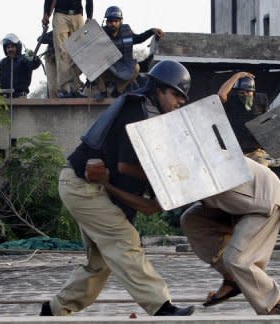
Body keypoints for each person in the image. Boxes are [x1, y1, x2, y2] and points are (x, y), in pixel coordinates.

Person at [39, 60, 194, 317]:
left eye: (183, 98)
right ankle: (161, 307)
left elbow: (150, 208)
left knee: (99, 264)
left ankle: (55, 310)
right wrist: (167, 176)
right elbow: (125, 165)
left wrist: (172, 182)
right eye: (176, 94)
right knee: (125, 240)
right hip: (81, 185)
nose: (181, 102)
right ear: (158, 89)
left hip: (91, 189)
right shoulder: (137, 108)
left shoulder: (157, 126)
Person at [180, 157, 280, 315]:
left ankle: (278, 304)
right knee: (193, 220)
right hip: (236, 204)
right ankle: (231, 278)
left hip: (262, 203)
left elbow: (153, 207)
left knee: (237, 259)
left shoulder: (189, 155)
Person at [95, 6, 164, 100]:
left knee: (136, 68)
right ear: (106, 22)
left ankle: (117, 92)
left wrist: (151, 31)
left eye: (116, 21)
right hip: (107, 69)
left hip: (123, 68)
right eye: (110, 21)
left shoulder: (126, 31)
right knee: (90, 64)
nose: (113, 23)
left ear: (120, 22)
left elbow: (138, 39)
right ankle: (102, 92)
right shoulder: (99, 33)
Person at [43, 0, 93, 98]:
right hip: (60, 14)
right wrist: (46, 13)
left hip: (78, 15)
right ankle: (64, 89)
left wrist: (89, 16)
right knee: (62, 52)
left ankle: (75, 88)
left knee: (79, 52)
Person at [218, 72, 270, 165]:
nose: (245, 94)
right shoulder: (232, 100)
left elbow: (267, 122)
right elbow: (221, 95)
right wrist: (237, 76)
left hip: (255, 151)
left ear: (253, 92)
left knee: (262, 170)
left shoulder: (261, 100)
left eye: (248, 92)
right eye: (242, 92)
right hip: (235, 151)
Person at [0, 33, 41, 98]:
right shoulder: (3, 63)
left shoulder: (24, 59)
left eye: (12, 47)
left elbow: (34, 64)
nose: (10, 49)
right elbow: (0, 82)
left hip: (20, 97)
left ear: (17, 47)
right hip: (5, 98)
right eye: (8, 47)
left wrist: (34, 58)